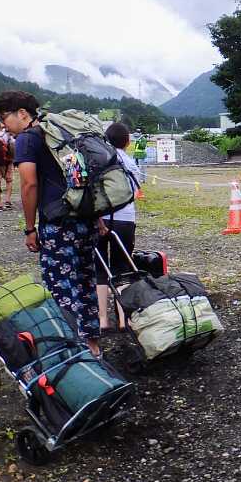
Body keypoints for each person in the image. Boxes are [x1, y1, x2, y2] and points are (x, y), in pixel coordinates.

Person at [0, 91, 103, 356]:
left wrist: (30, 228)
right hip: (84, 218)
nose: (3, 124)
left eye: (3, 117)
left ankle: (73, 352)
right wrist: (96, 216)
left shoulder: (28, 139)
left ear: (22, 113)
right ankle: (93, 347)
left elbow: (29, 184)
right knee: (85, 282)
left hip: (57, 223)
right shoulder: (60, 133)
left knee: (61, 286)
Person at [96, 122, 145, 330]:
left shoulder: (98, 159)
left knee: (99, 268)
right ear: (127, 142)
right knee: (122, 268)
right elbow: (135, 190)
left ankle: (102, 319)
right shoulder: (130, 163)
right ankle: (124, 319)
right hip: (125, 219)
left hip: (100, 219)